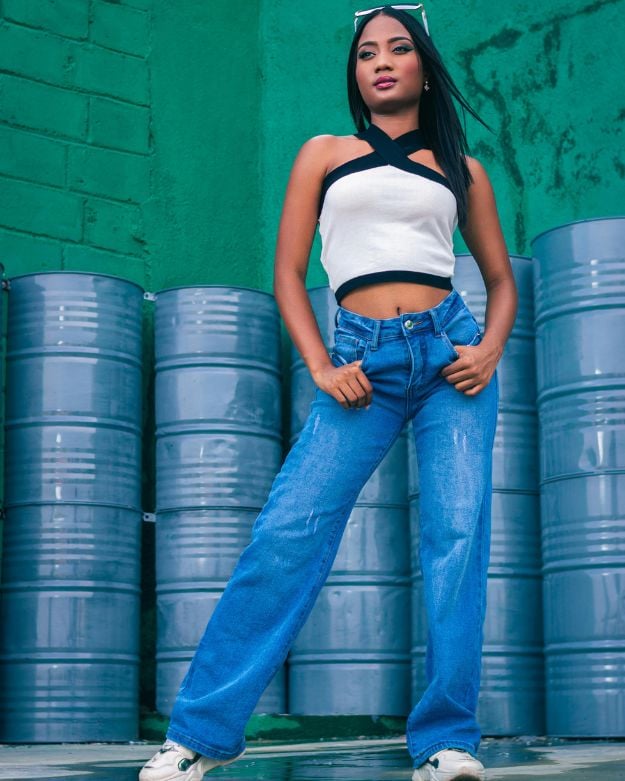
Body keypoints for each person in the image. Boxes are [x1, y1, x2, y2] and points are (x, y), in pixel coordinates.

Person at [139, 4, 517, 780]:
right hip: (359, 363)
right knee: (287, 533)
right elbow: (285, 273)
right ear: (353, 72)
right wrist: (318, 362)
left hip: (448, 358)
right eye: (365, 53)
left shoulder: (462, 168)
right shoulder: (322, 153)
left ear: (422, 65)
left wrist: (487, 349)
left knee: (456, 543)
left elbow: (501, 282)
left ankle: (448, 740)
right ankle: (200, 736)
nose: (380, 62)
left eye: (397, 49)